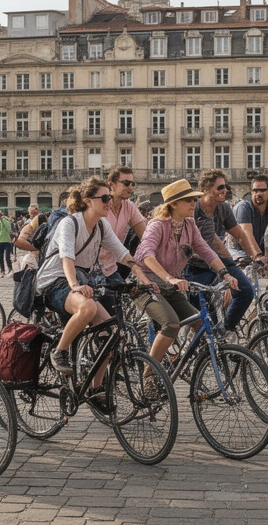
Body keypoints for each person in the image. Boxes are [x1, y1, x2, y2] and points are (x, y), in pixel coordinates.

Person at [39, 177, 153, 384]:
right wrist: (75, 286)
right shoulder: (70, 222)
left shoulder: (101, 225)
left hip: (80, 280)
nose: (110, 202)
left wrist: (144, 278)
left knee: (110, 336)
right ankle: (59, 351)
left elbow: (122, 253)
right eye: (105, 198)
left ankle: (96, 389)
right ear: (88, 200)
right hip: (55, 281)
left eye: (109, 197)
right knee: (88, 308)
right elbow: (67, 256)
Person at [134, 180, 240, 390]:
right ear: (174, 204)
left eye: (194, 199)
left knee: (200, 323)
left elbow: (206, 250)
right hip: (147, 286)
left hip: (170, 288)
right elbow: (145, 255)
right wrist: (169, 278)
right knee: (171, 323)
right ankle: (149, 374)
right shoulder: (157, 225)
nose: (194, 203)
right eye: (189, 200)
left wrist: (225, 274)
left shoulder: (189, 225)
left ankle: (183, 362)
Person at [185, 170, 258, 335]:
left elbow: (239, 234)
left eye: (226, 186)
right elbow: (210, 240)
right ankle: (206, 347)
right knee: (203, 315)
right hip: (196, 265)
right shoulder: (193, 210)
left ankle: (225, 329)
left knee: (245, 291)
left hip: (218, 260)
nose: (225, 190)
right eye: (220, 187)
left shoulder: (223, 209)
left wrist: (255, 256)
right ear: (206, 189)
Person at [99, 166, 148, 306]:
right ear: (111, 184)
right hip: (92, 269)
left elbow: (145, 236)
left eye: (133, 184)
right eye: (126, 183)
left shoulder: (129, 206)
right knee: (104, 314)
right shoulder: (101, 205)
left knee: (121, 307)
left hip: (111, 267)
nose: (130, 187)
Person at [230, 174, 268, 290]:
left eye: (262, 190)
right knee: (239, 286)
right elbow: (246, 234)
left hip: (261, 254)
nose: (258, 193)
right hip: (239, 253)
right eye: (255, 190)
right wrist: (258, 255)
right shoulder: (244, 207)